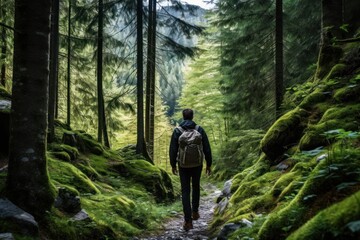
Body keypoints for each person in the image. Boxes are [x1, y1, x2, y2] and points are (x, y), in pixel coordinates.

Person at [169, 108, 212, 231]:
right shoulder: (199, 129)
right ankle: (195, 212)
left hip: (183, 165)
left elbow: (173, 149)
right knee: (196, 186)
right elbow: (207, 148)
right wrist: (208, 164)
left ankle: (188, 221)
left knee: (185, 191)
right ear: (192, 117)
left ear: (183, 117)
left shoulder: (177, 131)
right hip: (197, 164)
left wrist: (173, 164)